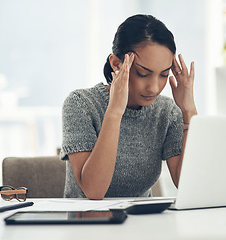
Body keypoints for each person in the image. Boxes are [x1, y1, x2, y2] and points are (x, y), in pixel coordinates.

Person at [60, 14, 197, 200]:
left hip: (143, 224)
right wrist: (115, 111)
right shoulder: (80, 104)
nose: (154, 87)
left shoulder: (167, 112)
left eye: (164, 75)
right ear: (116, 64)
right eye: (142, 74)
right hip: (87, 224)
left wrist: (189, 111)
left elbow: (188, 183)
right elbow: (93, 191)